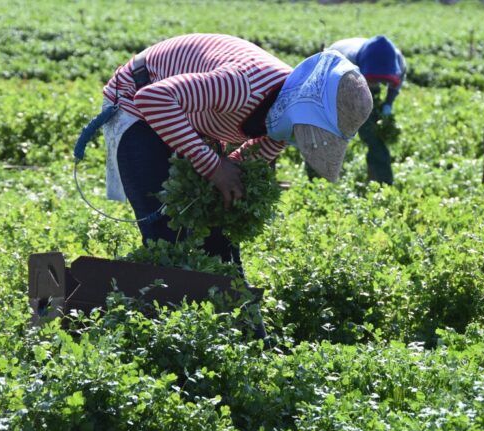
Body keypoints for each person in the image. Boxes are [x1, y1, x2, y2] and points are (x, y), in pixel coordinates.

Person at [98, 33, 372, 266]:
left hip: (191, 116)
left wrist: (238, 181)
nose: (305, 139)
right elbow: (152, 98)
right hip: (137, 100)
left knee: (221, 236)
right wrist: (214, 166)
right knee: (166, 233)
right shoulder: (244, 85)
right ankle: (153, 306)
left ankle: (231, 315)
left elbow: (238, 167)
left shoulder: (282, 127)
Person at [318, 35, 407, 185]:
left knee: (374, 136)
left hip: (361, 74)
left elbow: (396, 84)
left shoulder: (397, 61)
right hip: (333, 82)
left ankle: (381, 183)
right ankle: (318, 180)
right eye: (373, 80)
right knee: (327, 132)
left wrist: (388, 104)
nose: (376, 83)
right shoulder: (342, 60)